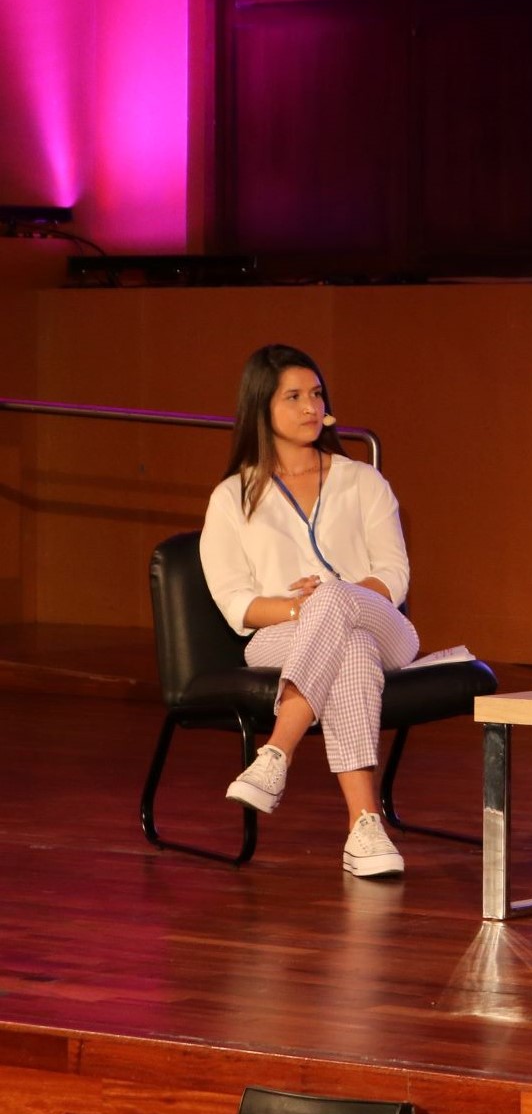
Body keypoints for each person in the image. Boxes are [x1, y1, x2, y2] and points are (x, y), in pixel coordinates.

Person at [199, 344, 418, 879]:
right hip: (283, 636)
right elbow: (237, 602)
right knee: (349, 647)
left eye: (316, 394)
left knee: (340, 607)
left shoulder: (362, 481)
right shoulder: (233, 497)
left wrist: (332, 596)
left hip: (381, 623)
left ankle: (276, 754)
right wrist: (303, 608)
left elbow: (393, 577)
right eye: (292, 397)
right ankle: (364, 827)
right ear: (261, 410)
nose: (309, 407)